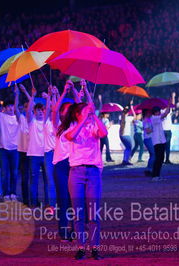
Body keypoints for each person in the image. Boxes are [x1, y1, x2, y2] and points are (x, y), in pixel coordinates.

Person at [64, 102, 107, 260]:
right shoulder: (71, 127)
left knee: (94, 213)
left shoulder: (94, 126)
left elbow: (103, 133)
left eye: (89, 110)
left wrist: (94, 115)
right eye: (85, 111)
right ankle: (81, 247)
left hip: (93, 172)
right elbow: (71, 136)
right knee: (78, 213)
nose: (88, 112)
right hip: (76, 173)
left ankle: (95, 247)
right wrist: (83, 120)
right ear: (77, 114)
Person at [51, 79, 79, 241]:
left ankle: (76, 229)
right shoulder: (58, 127)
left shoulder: (76, 124)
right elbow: (54, 111)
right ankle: (63, 231)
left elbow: (80, 104)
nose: (65, 112)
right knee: (63, 199)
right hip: (61, 167)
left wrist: (74, 90)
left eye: (69, 110)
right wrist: (63, 92)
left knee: (75, 200)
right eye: (64, 110)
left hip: (75, 165)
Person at [26, 87, 52, 208]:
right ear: (34, 112)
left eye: (42, 110)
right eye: (38, 110)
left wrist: (48, 97)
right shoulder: (32, 122)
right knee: (34, 181)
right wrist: (32, 96)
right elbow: (28, 111)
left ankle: (48, 203)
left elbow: (51, 109)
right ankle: (34, 204)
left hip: (46, 155)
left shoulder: (47, 122)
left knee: (48, 180)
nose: (40, 112)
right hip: (34, 155)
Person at [151, 103, 171, 181]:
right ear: (155, 112)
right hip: (157, 141)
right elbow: (165, 113)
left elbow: (167, 113)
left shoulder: (157, 118)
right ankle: (155, 175)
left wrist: (169, 106)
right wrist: (169, 104)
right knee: (158, 159)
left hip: (160, 140)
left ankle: (157, 175)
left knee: (160, 158)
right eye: (158, 111)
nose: (159, 112)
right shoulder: (154, 118)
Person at [162, 92, 175, 164]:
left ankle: (167, 159)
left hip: (168, 130)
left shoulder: (168, 109)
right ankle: (164, 159)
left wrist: (173, 97)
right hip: (164, 130)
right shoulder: (162, 111)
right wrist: (170, 102)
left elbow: (173, 105)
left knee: (167, 146)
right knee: (164, 146)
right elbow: (167, 112)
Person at [143, 109, 155, 177]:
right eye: (149, 112)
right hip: (148, 139)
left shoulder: (149, 119)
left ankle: (149, 169)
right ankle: (149, 169)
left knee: (152, 154)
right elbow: (147, 131)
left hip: (149, 139)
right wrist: (154, 129)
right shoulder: (145, 120)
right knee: (153, 154)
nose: (150, 113)